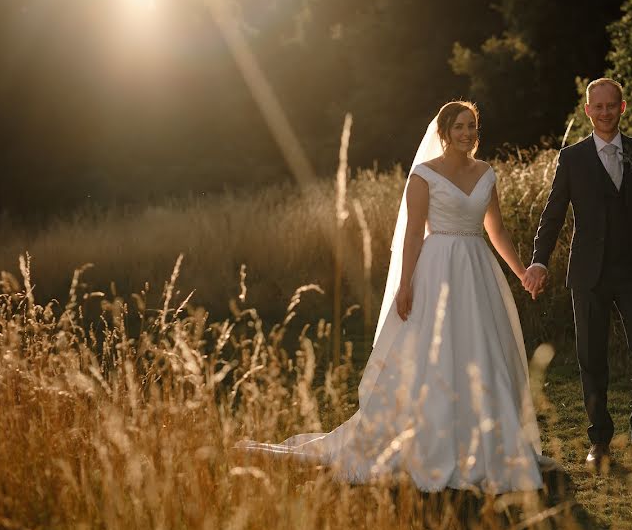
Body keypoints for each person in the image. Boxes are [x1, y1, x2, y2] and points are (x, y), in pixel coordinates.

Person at [237, 101, 553, 493]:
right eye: (458, 127)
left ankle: (489, 446)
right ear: (444, 133)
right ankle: (427, 444)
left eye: (472, 126)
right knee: (431, 356)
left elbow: (497, 231)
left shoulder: (486, 173)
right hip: (437, 269)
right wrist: (406, 284)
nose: (467, 133)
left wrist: (522, 272)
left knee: (481, 351)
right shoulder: (424, 175)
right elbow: (412, 233)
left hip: (477, 271)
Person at [522, 78, 632, 470]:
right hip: (588, 275)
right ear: (587, 111)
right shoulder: (572, 158)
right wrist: (539, 260)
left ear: (622, 108)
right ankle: (599, 442)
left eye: (611, 106)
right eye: (597, 107)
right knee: (591, 358)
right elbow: (553, 215)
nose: (604, 113)